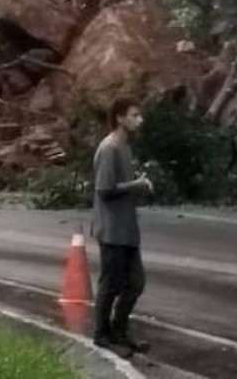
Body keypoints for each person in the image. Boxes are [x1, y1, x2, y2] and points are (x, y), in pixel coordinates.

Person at [91, 98, 154, 357]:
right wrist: (136, 185)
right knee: (111, 284)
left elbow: (121, 187)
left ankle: (119, 330)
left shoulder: (125, 147)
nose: (140, 120)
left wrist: (138, 187)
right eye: (135, 115)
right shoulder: (110, 148)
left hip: (126, 229)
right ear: (119, 118)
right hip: (112, 230)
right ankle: (101, 334)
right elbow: (104, 189)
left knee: (135, 283)